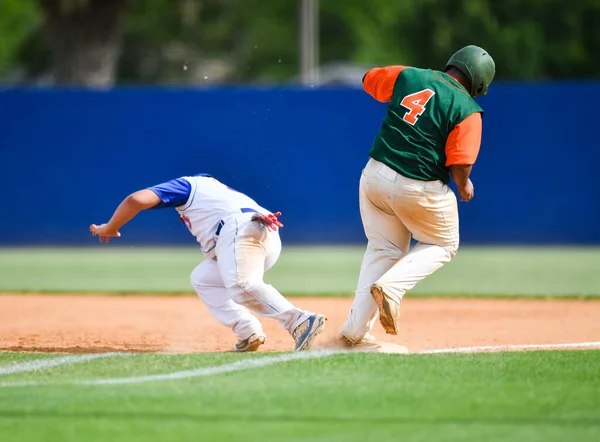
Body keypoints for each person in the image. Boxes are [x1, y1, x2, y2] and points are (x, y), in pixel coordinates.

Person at [339, 45, 495, 346]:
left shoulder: (409, 76)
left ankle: (353, 332)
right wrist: (464, 186)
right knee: (444, 243)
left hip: (375, 175)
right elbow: (460, 164)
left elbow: (369, 79)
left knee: (383, 250)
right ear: (478, 83)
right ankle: (392, 288)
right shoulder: (468, 110)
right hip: (417, 185)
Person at [90, 174, 326, 352]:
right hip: (264, 234)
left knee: (240, 284)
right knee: (203, 278)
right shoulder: (218, 194)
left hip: (240, 230)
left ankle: (300, 320)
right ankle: (248, 330)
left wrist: (110, 228)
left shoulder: (187, 185)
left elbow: (136, 199)